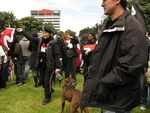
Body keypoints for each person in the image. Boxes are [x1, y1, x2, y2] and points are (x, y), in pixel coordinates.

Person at [80, 0, 148, 113]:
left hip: (118, 97)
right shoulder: (108, 26)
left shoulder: (132, 26)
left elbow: (131, 65)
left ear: (117, 0)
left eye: (105, 0)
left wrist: (103, 83)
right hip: (107, 95)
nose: (102, 4)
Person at [16, 27, 60, 105]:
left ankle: (47, 97)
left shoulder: (53, 43)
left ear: (49, 34)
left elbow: (57, 55)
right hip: (41, 64)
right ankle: (49, 90)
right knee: (42, 82)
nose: (44, 34)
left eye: (46, 33)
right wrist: (22, 31)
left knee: (47, 82)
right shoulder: (40, 41)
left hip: (50, 66)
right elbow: (30, 38)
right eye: (43, 33)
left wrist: (57, 67)